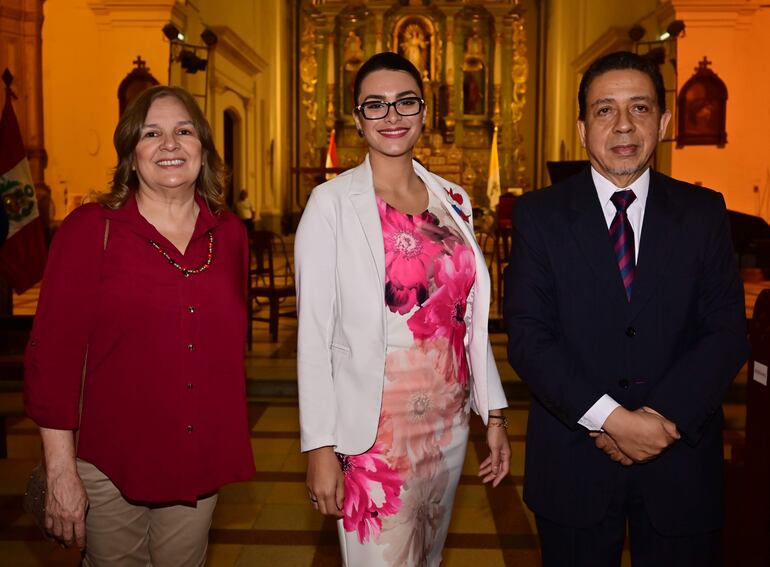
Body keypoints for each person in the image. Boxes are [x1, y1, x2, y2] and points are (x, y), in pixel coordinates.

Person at [504, 51, 749, 566]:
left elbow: (725, 332)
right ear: (581, 127)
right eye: (604, 110)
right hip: (575, 465)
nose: (622, 125)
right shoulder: (540, 216)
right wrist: (612, 419)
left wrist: (660, 419)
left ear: (662, 123)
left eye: (639, 108)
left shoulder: (703, 214)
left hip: (680, 463)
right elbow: (529, 337)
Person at [24, 85, 255, 565]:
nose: (170, 144)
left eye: (183, 131)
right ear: (131, 154)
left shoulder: (229, 236)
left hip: (196, 459)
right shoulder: (91, 230)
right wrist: (60, 470)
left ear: (203, 150)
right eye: (152, 133)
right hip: (109, 461)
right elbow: (54, 358)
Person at [295, 52, 511, 567]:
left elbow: (466, 315)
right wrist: (319, 447)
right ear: (357, 119)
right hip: (375, 429)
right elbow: (315, 333)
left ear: (424, 109)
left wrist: (494, 414)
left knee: (426, 555)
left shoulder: (453, 199)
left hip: (448, 420)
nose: (392, 115)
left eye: (404, 102)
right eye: (376, 105)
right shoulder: (331, 203)